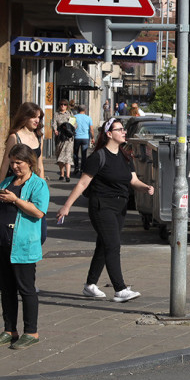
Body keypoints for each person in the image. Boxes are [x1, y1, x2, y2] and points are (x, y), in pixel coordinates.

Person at [56, 118, 154, 303]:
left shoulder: (126, 156)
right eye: (120, 129)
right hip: (101, 207)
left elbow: (133, 181)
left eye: (124, 129)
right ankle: (120, 289)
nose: (124, 132)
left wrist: (146, 187)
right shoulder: (98, 157)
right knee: (113, 245)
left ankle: (90, 285)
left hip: (120, 207)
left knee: (104, 245)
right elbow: (83, 183)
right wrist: (67, 206)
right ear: (109, 134)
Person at [0, 144, 49, 350]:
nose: (15, 167)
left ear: (29, 162)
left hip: (23, 244)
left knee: (26, 289)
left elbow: (38, 212)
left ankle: (31, 332)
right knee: (6, 289)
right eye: (12, 163)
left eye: (18, 163)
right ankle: (9, 329)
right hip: (2, 241)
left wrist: (16, 199)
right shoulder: (7, 181)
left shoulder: (38, 185)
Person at [0, 102, 45, 183]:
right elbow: (5, 164)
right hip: (15, 181)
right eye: (33, 117)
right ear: (24, 117)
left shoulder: (39, 137)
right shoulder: (14, 137)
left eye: (39, 117)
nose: (37, 120)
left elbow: (39, 164)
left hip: (33, 182)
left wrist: (43, 185)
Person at [52, 99, 76, 182]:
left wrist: (71, 130)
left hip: (68, 138)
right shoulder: (56, 114)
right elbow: (54, 123)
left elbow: (74, 124)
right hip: (60, 138)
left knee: (68, 156)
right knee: (60, 156)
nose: (63, 106)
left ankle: (68, 175)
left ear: (67, 106)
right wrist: (55, 130)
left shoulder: (70, 114)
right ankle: (62, 174)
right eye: (61, 104)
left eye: (65, 104)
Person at [72, 105, 94, 176]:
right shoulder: (88, 118)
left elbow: (70, 127)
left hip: (76, 137)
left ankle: (76, 167)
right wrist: (92, 137)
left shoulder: (73, 117)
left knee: (75, 153)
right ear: (85, 110)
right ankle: (82, 169)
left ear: (78, 110)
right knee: (84, 154)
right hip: (85, 138)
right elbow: (91, 129)